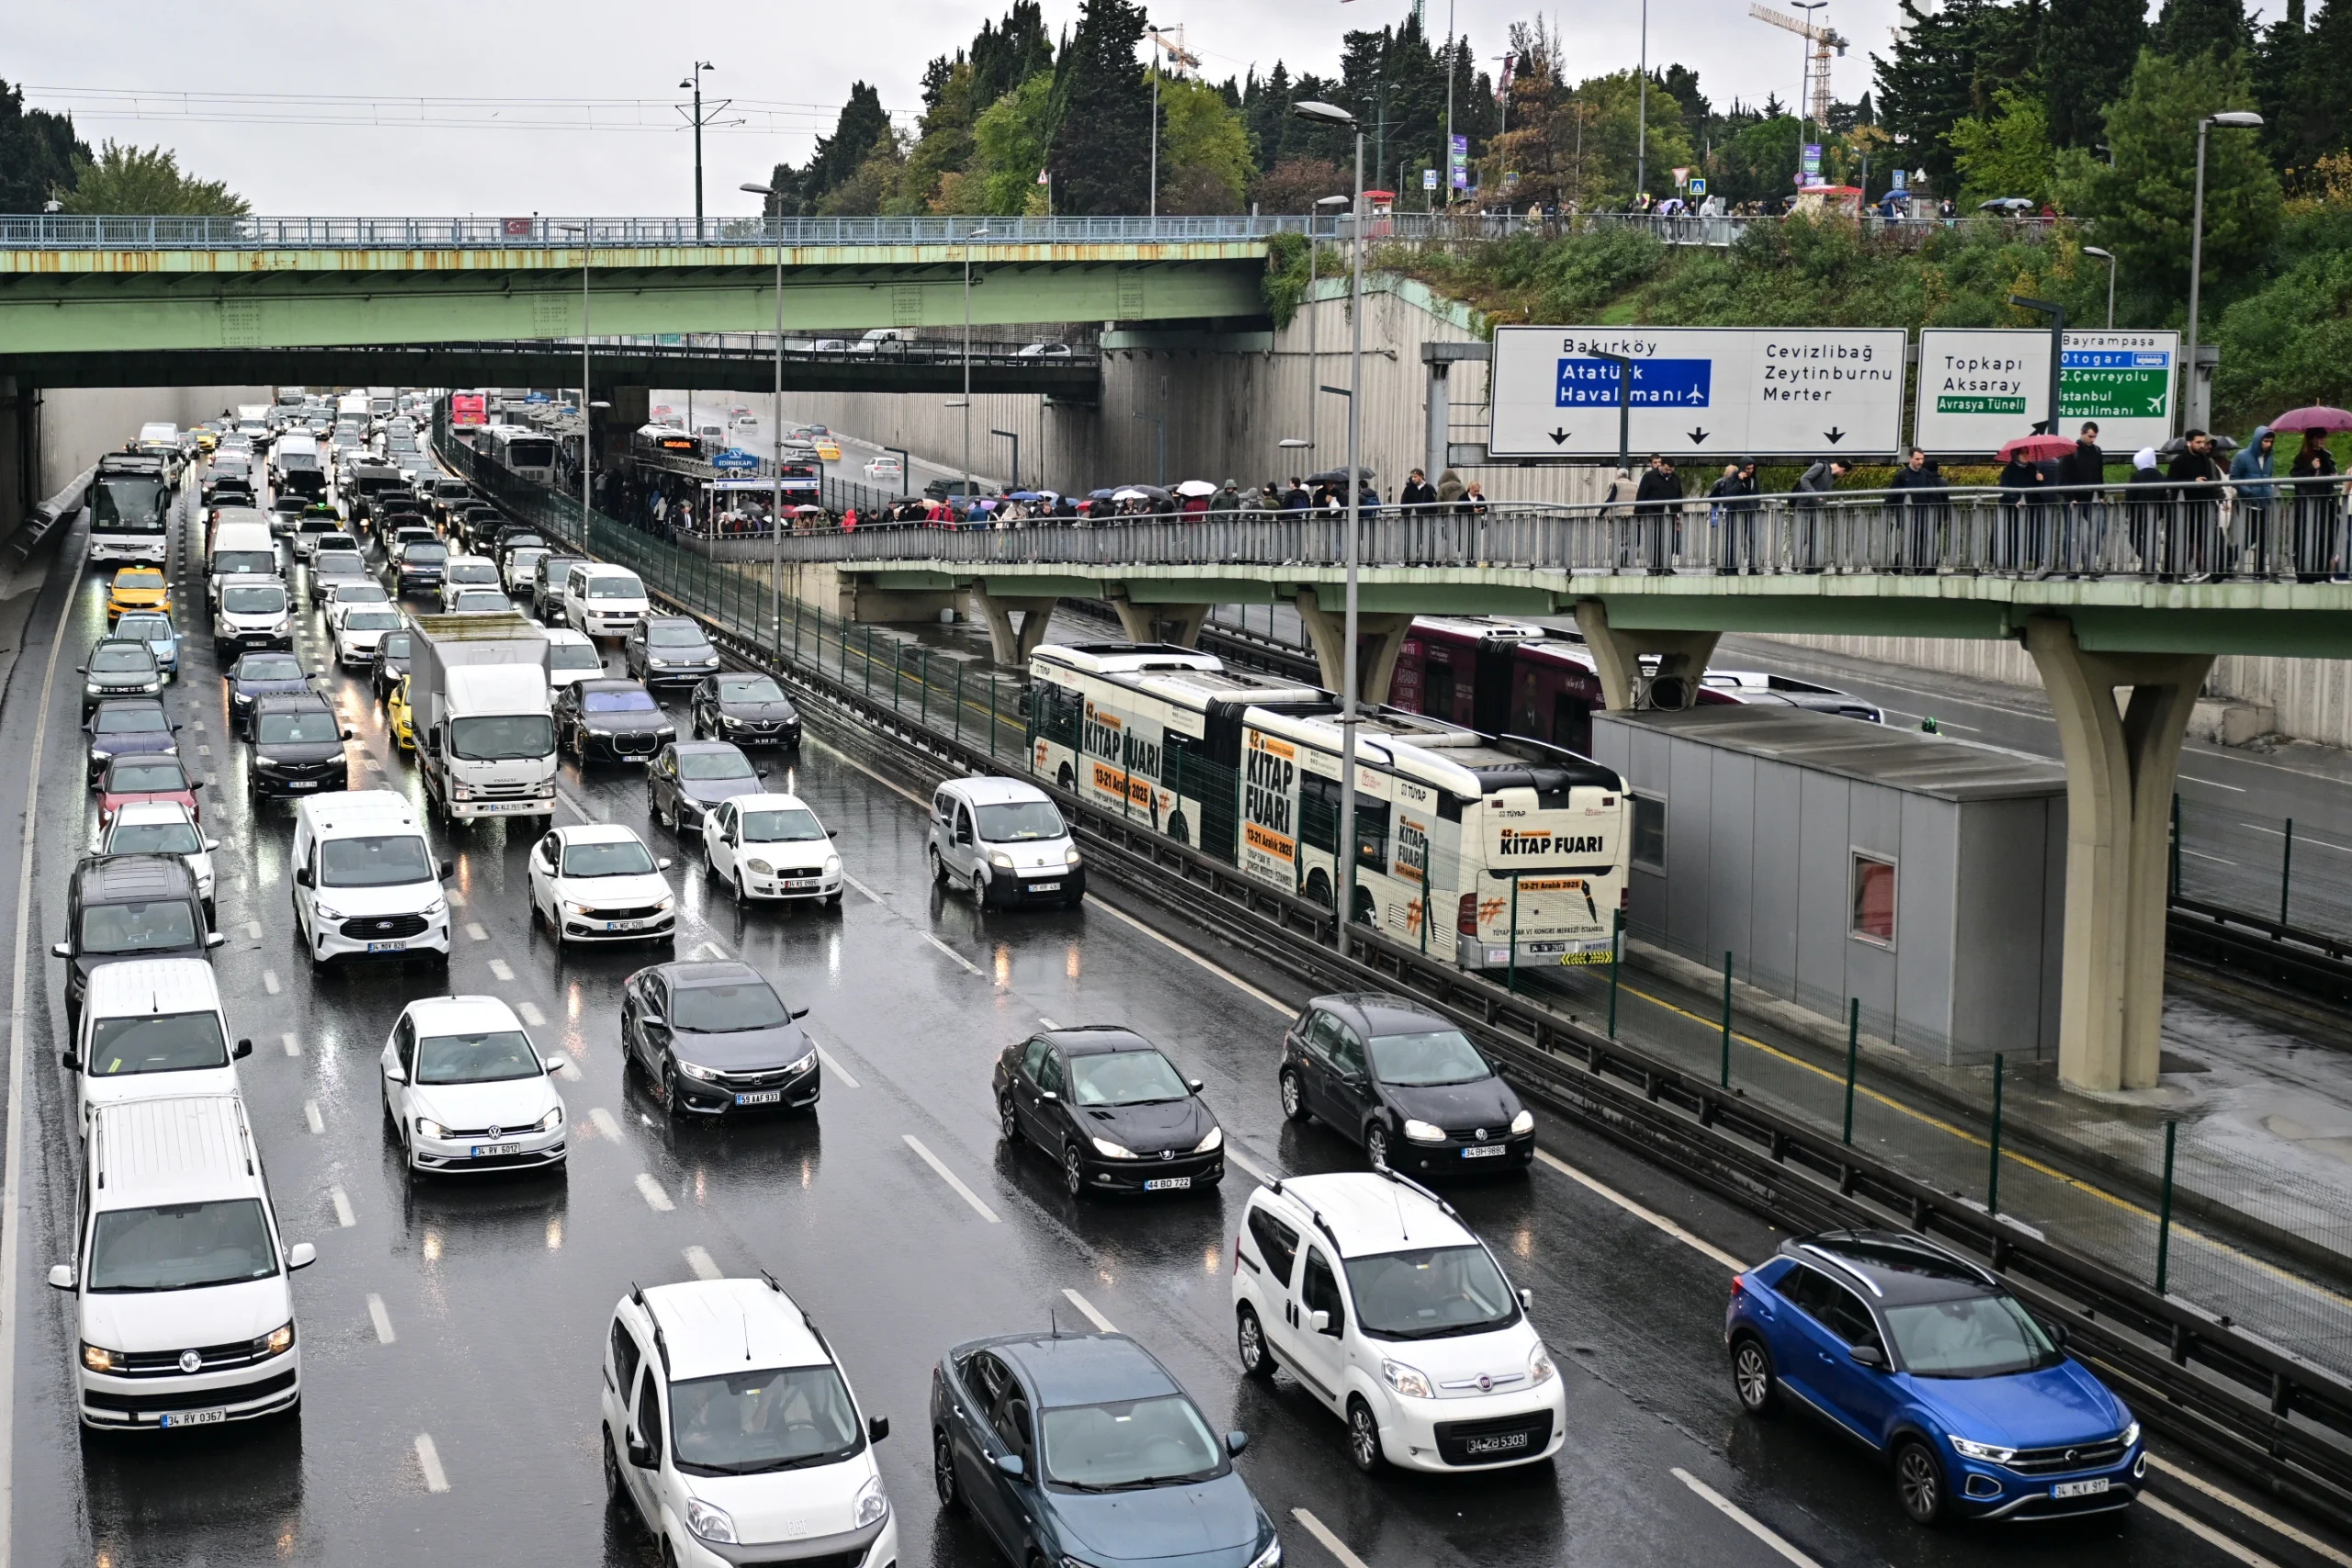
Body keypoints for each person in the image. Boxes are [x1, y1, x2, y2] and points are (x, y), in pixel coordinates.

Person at [2167, 430, 2226, 581]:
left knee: (2211, 538)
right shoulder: (2179, 461)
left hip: (2204, 507)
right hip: (2185, 508)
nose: (2202, 445)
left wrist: (2221, 498)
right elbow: (2171, 484)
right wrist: (2192, 482)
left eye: (2203, 442)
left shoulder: (2205, 460)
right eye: (2198, 442)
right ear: (2189, 443)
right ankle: (2170, 572)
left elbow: (2213, 481)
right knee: (2180, 540)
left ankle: (2218, 571)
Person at [2288, 431, 2341, 581]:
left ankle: (2324, 572)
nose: (2322, 440)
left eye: (2324, 437)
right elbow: (2297, 478)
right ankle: (2306, 573)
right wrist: (2311, 469)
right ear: (2311, 439)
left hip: (2325, 506)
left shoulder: (2326, 456)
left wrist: (2333, 476)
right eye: (2319, 437)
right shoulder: (2303, 457)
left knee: (2326, 537)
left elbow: (2330, 475)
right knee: (2306, 536)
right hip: (2308, 507)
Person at [1888, 447, 1948, 573]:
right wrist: (1889, 511)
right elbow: (1892, 495)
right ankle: (1911, 568)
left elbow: (1932, 492)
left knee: (1919, 542)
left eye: (1922, 459)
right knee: (1913, 542)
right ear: (1910, 459)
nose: (1920, 462)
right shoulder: (1902, 475)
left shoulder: (1924, 473)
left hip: (1923, 514)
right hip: (1908, 514)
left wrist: (1937, 507)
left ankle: (1908, 568)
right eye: (1917, 459)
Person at [2229, 424, 2277, 579]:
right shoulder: (2242, 456)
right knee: (2249, 537)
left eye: (2271, 442)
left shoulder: (2269, 458)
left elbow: (2268, 477)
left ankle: (2260, 570)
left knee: (2262, 537)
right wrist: (2247, 491)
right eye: (2266, 441)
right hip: (2247, 503)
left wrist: (2268, 492)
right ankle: (2229, 560)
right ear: (2258, 440)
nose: (2268, 444)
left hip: (2263, 502)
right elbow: (2234, 478)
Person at [2060, 421, 2107, 576]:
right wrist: (2070, 497)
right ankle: (2071, 567)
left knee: (2100, 527)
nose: (2092, 440)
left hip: (2092, 498)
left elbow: (2099, 475)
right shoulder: (2071, 451)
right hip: (2074, 499)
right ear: (2082, 433)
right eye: (2090, 436)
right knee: (2072, 533)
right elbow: (2064, 477)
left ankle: (2090, 564)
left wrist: (2101, 495)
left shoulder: (2097, 451)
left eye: (2094, 437)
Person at [1792, 457, 1849, 571]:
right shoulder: (1821, 467)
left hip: (1816, 509)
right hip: (1804, 506)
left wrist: (1822, 500)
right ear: (1842, 469)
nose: (1843, 476)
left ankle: (1811, 565)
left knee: (1814, 537)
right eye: (1844, 473)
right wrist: (1814, 495)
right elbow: (1804, 479)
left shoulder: (1831, 477)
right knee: (1803, 536)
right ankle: (1796, 561)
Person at [1995, 446, 2044, 572]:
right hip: (2013, 510)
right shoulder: (2009, 470)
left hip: (2030, 508)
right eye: (2023, 453)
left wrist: (2040, 480)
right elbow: (2004, 488)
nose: (2026, 455)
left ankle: (2034, 561)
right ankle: (2012, 563)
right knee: (2013, 535)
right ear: (2016, 455)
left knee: (2033, 534)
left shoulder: (2033, 468)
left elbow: (2036, 490)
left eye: (2027, 453)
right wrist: (2014, 500)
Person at [1634, 455, 1683, 574]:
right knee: (1654, 540)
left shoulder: (1675, 477)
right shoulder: (1649, 477)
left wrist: (1678, 512)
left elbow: (1679, 494)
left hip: (1670, 514)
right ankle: (1653, 567)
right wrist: (1638, 514)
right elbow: (1641, 495)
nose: (1668, 472)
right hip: (1653, 513)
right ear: (1660, 465)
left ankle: (1666, 566)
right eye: (1666, 469)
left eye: (1671, 470)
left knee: (1668, 541)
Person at [2124, 446, 2169, 576]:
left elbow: (2130, 495)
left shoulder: (2137, 476)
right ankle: (2151, 562)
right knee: (2152, 538)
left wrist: (2130, 511)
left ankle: (2147, 560)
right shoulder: (2161, 476)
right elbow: (2164, 495)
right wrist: (2161, 512)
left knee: (2134, 536)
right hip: (2156, 513)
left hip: (2138, 512)